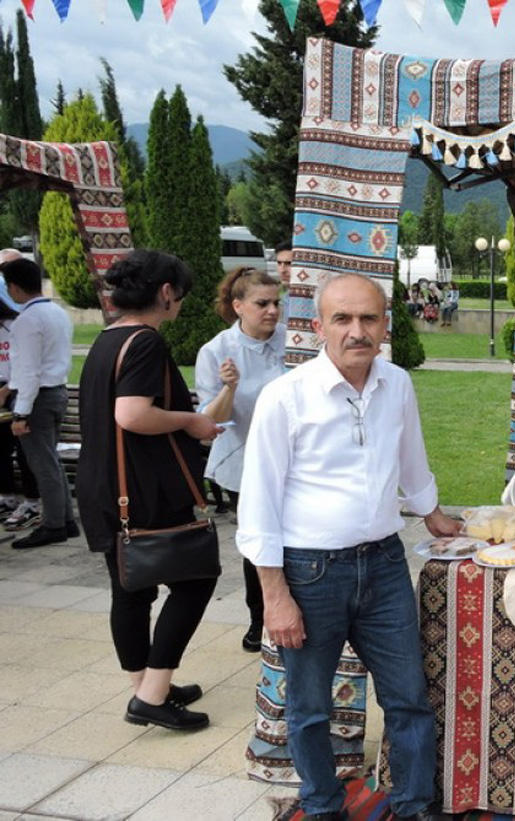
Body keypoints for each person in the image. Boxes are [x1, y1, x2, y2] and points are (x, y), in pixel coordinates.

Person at [237, 273, 459, 820]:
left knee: (409, 699)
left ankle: (414, 807)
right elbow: (258, 504)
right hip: (310, 573)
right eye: (343, 319)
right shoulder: (284, 398)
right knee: (309, 709)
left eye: (369, 318)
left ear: (386, 324)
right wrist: (275, 595)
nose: (357, 331)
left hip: (384, 564)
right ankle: (323, 808)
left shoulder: (397, 383)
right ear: (318, 327)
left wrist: (431, 513)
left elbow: (411, 456)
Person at [76, 249, 223, 731]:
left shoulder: (106, 339)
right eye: (179, 294)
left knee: (131, 589)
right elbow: (132, 414)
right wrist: (192, 420)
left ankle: (144, 685)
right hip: (142, 490)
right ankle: (153, 695)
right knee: (196, 579)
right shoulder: (145, 343)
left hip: (104, 487)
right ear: (165, 293)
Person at [195, 267, 285, 652]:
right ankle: (259, 619)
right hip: (245, 460)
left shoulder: (292, 342)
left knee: (295, 538)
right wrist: (229, 387)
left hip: (294, 459)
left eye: (276, 302)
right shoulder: (217, 351)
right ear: (238, 306)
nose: (272, 311)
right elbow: (209, 421)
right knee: (258, 541)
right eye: (262, 303)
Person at [1, 257, 77, 548]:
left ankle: (53, 524)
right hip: (55, 391)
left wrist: (20, 413)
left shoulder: (27, 320)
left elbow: (28, 371)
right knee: (51, 461)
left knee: (42, 464)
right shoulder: (56, 313)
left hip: (38, 397)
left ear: (15, 288)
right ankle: (65, 520)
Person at [0, 250, 39, 528]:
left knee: (25, 451)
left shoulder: (18, 322)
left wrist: (7, 391)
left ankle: (32, 501)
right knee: (1, 449)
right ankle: (7, 496)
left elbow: (25, 364)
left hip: (16, 390)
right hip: (7, 389)